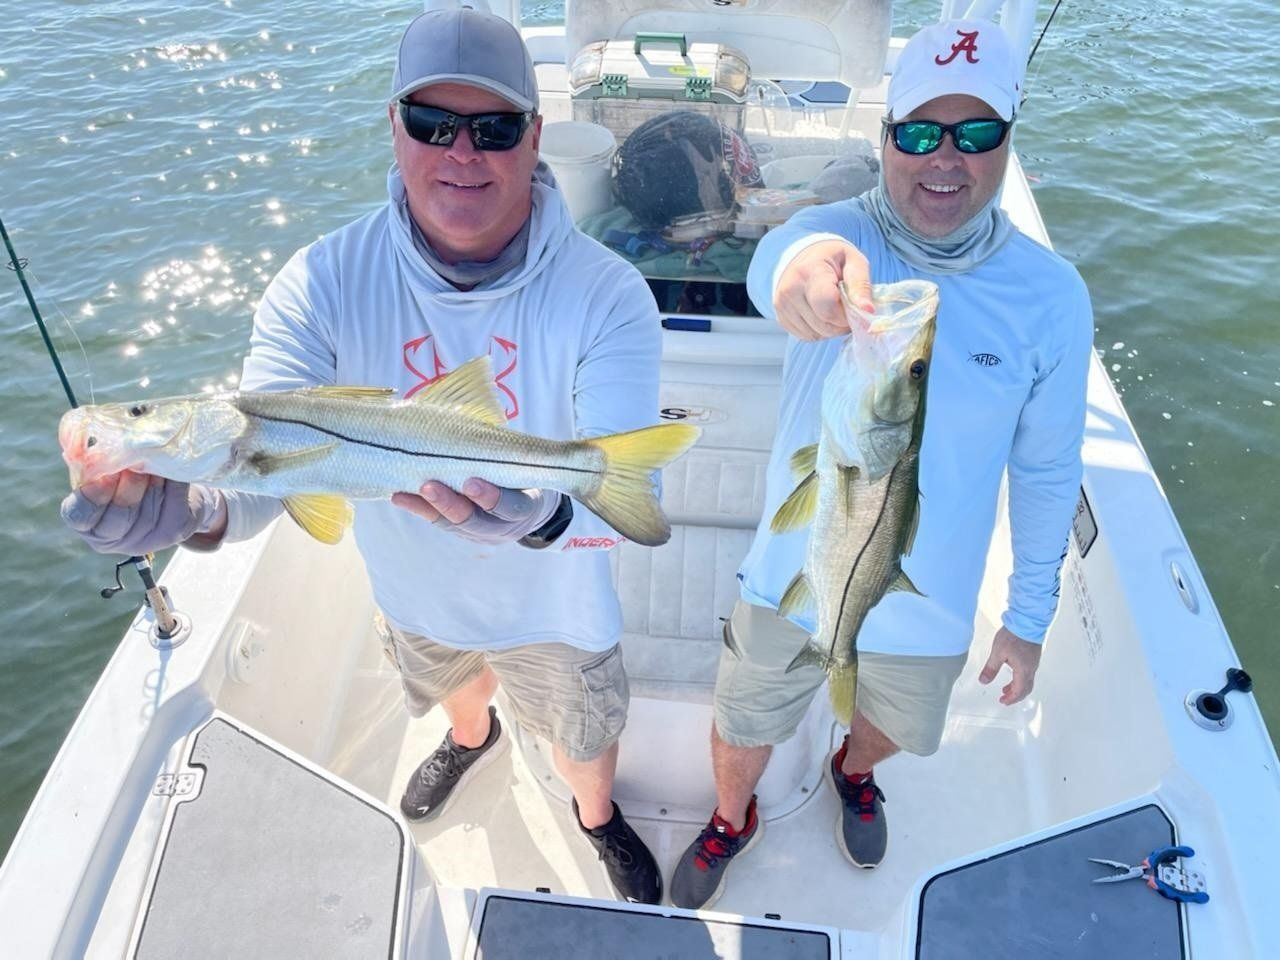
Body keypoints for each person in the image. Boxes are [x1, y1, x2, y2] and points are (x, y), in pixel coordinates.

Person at [61, 7, 666, 905]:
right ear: (394, 127)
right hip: (413, 592)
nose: (462, 152)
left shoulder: (609, 293)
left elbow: (624, 485)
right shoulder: (320, 280)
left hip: (559, 604)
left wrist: (539, 511)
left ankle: (595, 816)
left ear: (535, 137)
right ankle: (472, 742)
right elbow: (266, 483)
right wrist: (196, 512)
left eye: (494, 128)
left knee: (581, 740)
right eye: (432, 124)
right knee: (450, 693)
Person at [669, 18, 1094, 910]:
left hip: (927, 596)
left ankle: (852, 770)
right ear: (885, 137)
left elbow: (1049, 473)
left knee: (893, 725)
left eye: (976, 133)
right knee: (743, 717)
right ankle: (731, 813)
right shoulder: (833, 230)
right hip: (793, 573)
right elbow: (783, 272)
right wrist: (806, 282)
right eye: (918, 132)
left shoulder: (1053, 297)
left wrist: (1027, 620)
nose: (947, 157)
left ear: (1008, 141)